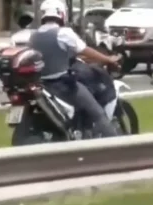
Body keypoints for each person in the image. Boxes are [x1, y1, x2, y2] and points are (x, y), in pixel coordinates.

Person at [28, 1, 120, 137]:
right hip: (62, 85)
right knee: (98, 113)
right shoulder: (63, 32)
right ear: (61, 13)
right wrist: (108, 59)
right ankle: (117, 146)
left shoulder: (34, 36)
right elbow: (84, 49)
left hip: (42, 85)